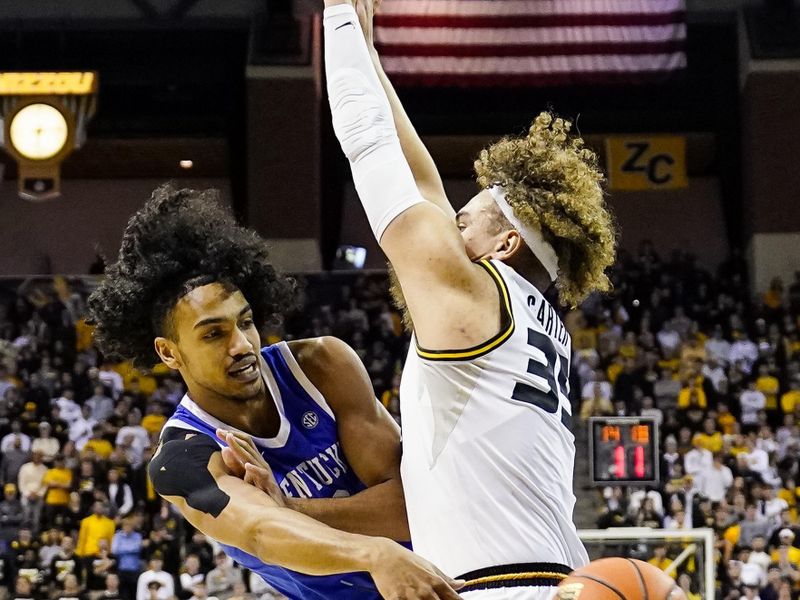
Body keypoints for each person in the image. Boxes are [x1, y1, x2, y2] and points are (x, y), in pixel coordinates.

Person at [320, 0, 616, 596]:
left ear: (506, 243)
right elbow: (420, 174)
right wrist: (371, 59)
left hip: (496, 586)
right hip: (550, 578)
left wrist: (336, 18)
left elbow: (368, 145)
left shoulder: (476, 292)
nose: (449, 224)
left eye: (466, 218)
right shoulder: (532, 317)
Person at [87, 186, 462, 600]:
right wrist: (375, 553)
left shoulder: (321, 366)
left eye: (245, 322)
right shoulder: (182, 458)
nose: (243, 345)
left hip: (456, 575)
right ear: (168, 352)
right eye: (214, 333)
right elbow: (261, 531)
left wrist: (291, 507)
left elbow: (411, 508)